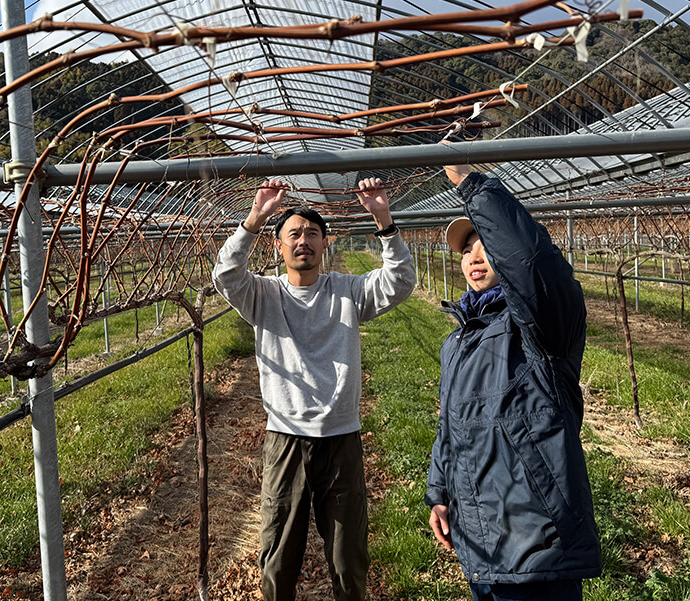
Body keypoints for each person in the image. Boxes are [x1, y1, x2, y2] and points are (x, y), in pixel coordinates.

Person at [212, 178, 416, 601]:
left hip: (340, 438)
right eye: (294, 235)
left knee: (347, 557)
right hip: (285, 439)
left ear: (326, 244)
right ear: (279, 248)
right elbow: (226, 274)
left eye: (311, 234)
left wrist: (383, 217)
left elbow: (399, 282)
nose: (303, 241)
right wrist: (255, 217)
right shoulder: (262, 296)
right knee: (279, 555)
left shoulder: (347, 291)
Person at [425, 159, 601, 601]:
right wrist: (439, 493)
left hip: (537, 546)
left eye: (485, 243)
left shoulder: (539, 329)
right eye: (465, 250)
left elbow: (532, 262)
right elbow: (451, 425)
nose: (475, 256)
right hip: (479, 542)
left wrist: (471, 185)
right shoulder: (457, 342)